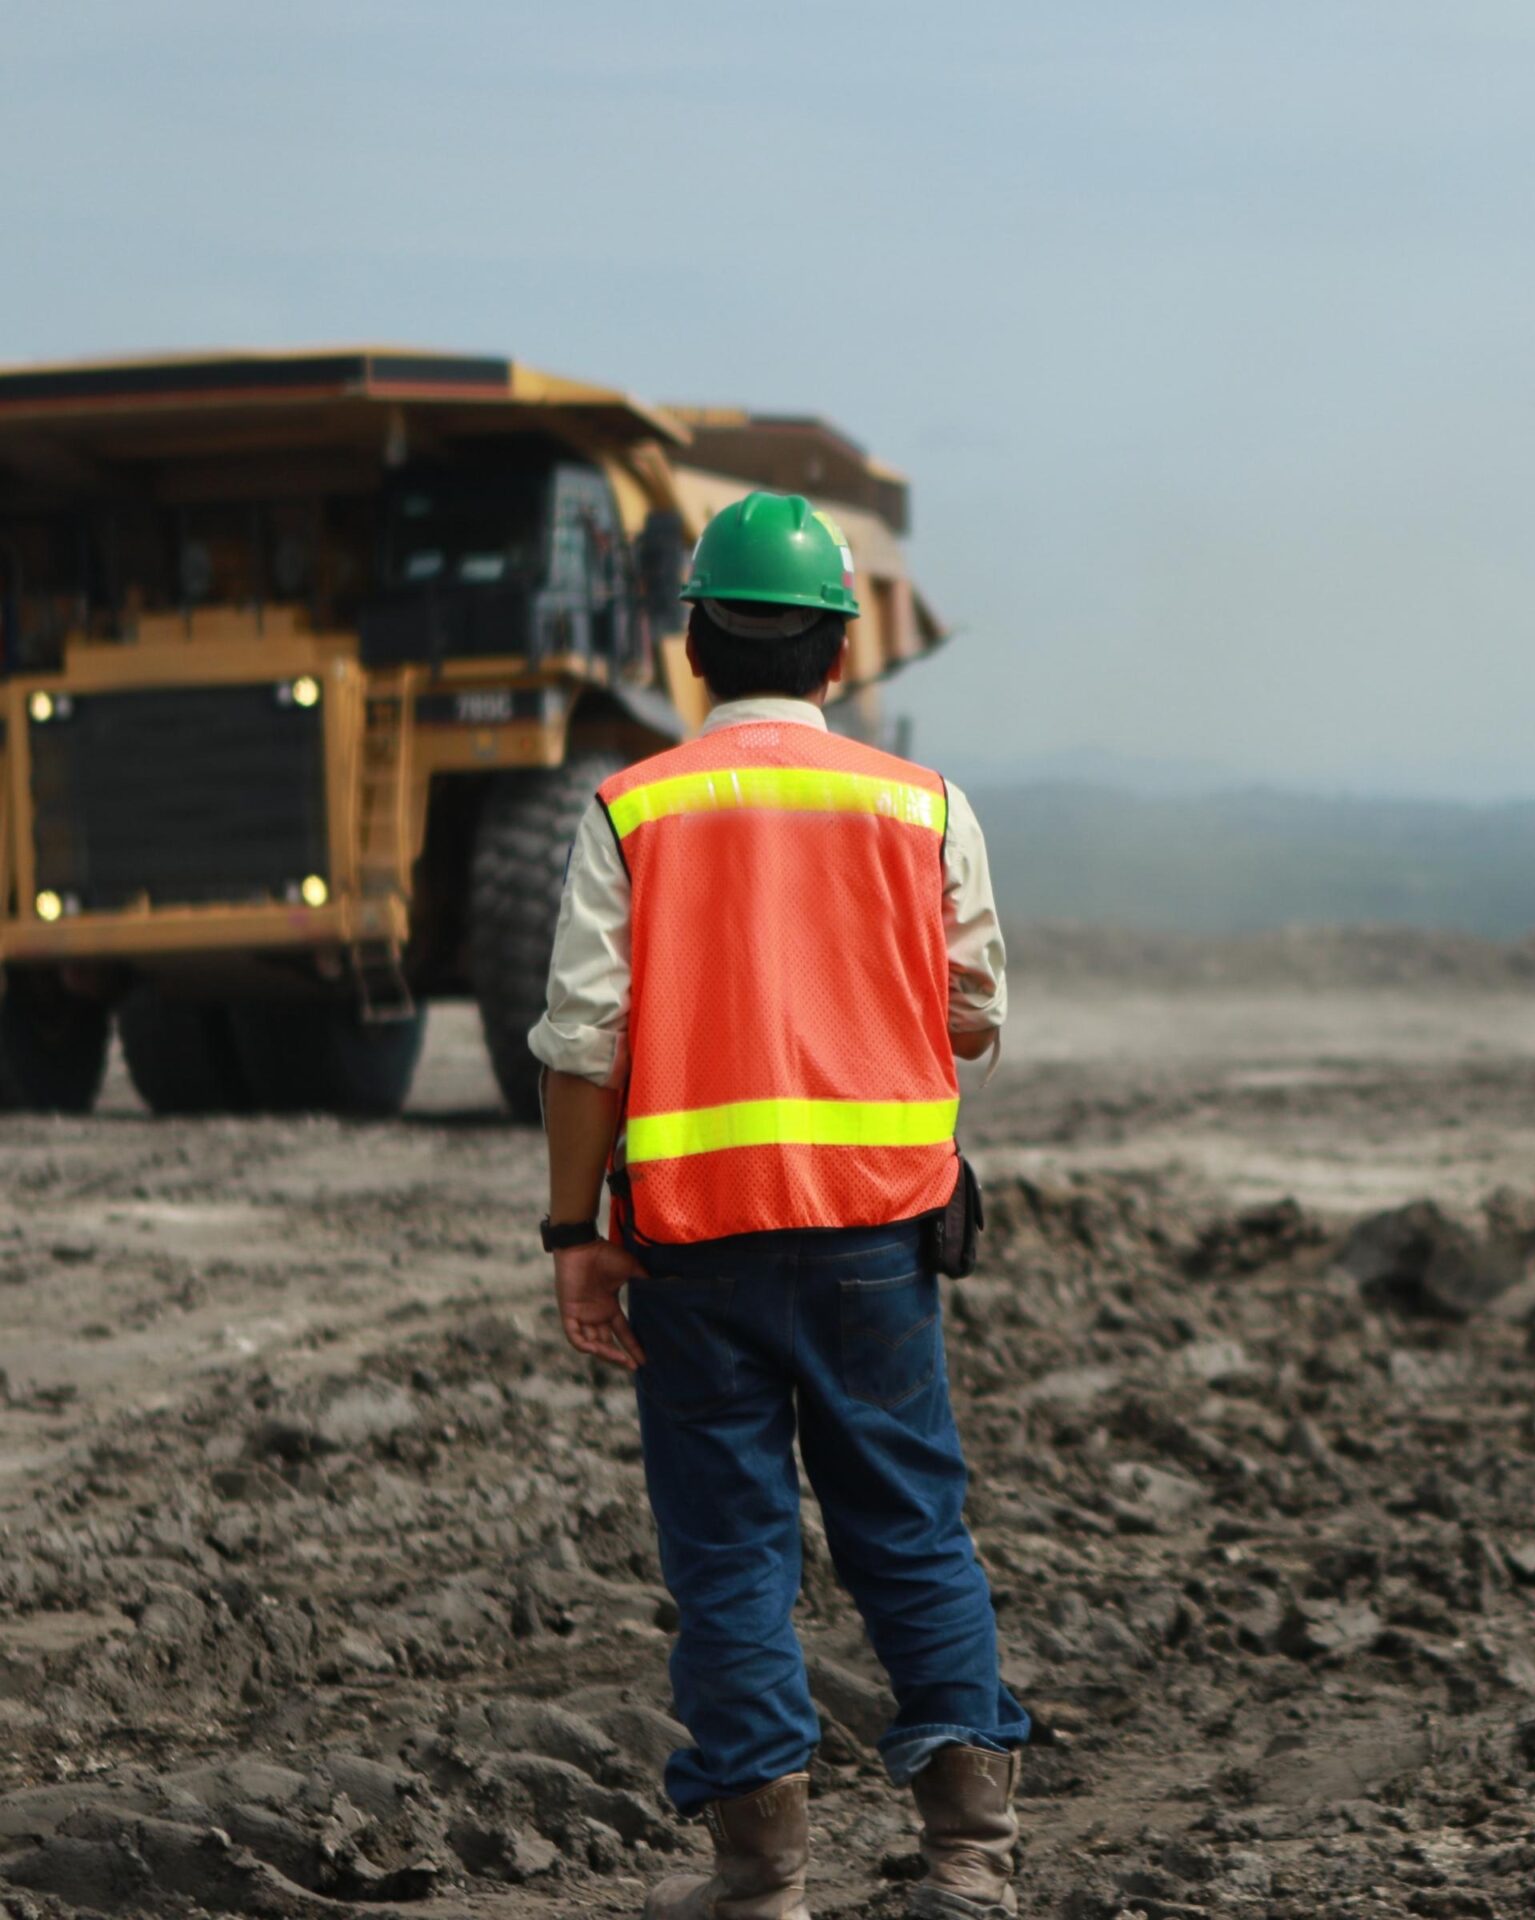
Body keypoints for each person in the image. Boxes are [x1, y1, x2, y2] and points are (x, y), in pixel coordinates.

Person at [529, 491, 1028, 1920]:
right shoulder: (919, 806)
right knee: (912, 1531)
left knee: (732, 1557)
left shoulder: (634, 808)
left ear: (692, 642)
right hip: (879, 1240)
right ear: (840, 653)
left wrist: (577, 1239)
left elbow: (582, 1044)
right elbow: (975, 1015)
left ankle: (762, 1888)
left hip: (693, 1252)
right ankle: (969, 1869)